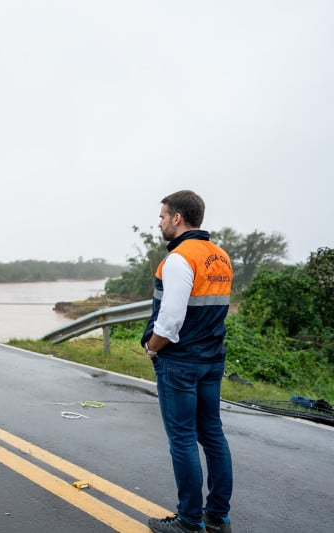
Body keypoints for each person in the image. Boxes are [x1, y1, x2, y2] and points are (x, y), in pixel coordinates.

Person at [141, 190, 234, 533]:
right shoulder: (220, 256)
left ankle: (189, 521)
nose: (160, 223)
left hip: (180, 362)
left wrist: (153, 348)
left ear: (177, 218)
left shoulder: (180, 258)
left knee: (182, 439)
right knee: (213, 435)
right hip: (212, 359)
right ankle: (217, 518)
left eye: (163, 216)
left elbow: (171, 319)